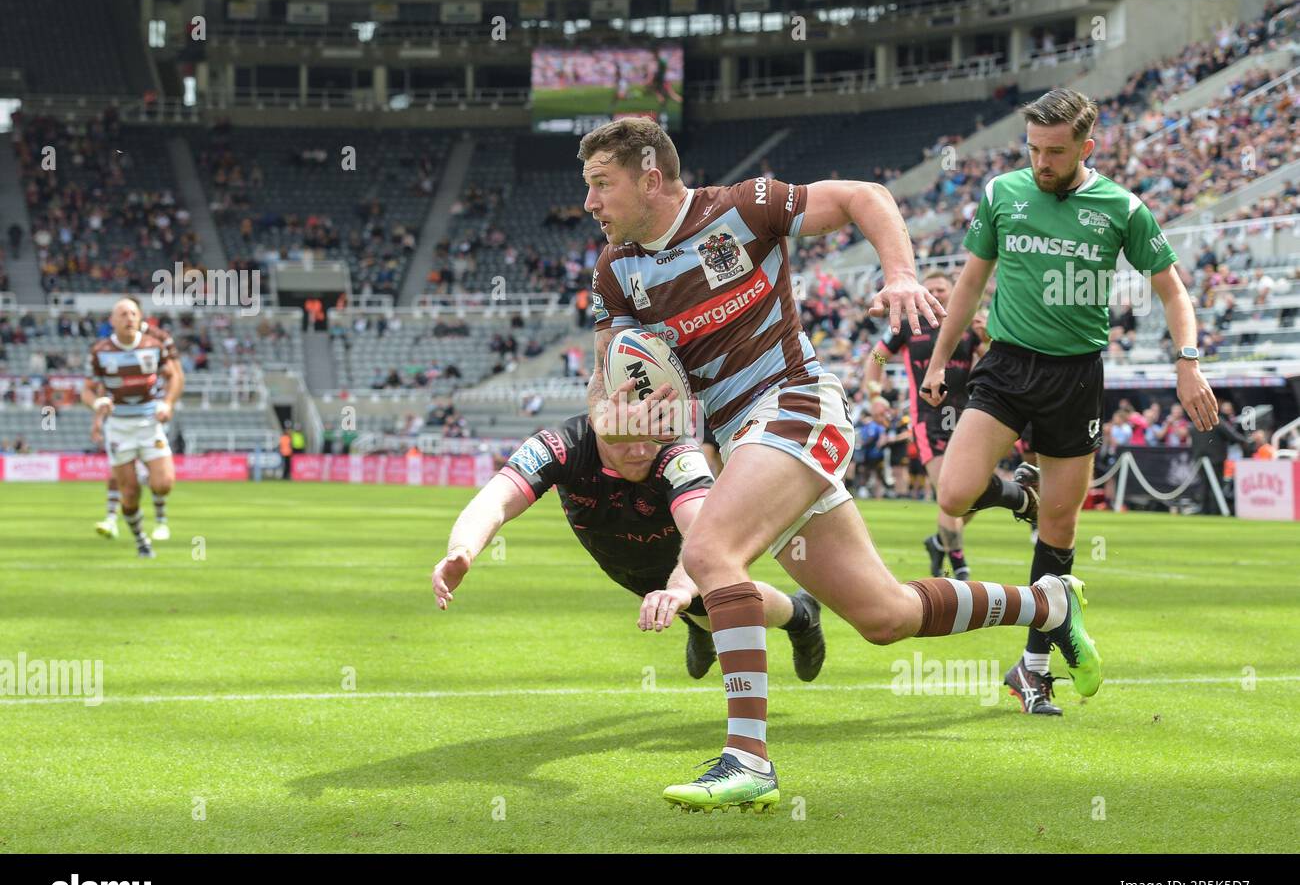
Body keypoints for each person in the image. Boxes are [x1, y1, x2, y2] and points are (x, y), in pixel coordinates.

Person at [580, 116, 1100, 811]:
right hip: (747, 440)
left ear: (650, 177)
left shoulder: (742, 207)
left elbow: (864, 196)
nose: (589, 202)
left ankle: (747, 758)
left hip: (798, 405)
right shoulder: (617, 273)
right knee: (886, 616)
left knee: (709, 553)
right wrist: (616, 418)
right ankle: (1047, 601)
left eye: (600, 184)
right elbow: (606, 382)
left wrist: (901, 274)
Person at [920, 89, 1218, 715]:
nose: (1041, 162)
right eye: (1032, 149)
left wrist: (1187, 364)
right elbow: (972, 281)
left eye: (1055, 152)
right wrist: (942, 359)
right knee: (954, 491)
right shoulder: (1003, 194)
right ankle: (1018, 496)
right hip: (1005, 365)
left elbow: (1173, 292)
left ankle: (1031, 670)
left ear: (1087, 146)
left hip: (1077, 375)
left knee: (1060, 527)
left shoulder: (1121, 208)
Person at [430, 415, 826, 682]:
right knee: (699, 612)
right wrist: (463, 549)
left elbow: (704, 535)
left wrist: (680, 590)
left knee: (718, 599)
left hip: (687, 563)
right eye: (623, 441)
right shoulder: (560, 445)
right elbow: (495, 499)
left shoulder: (678, 453)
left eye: (647, 438)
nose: (639, 450)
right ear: (597, 426)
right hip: (627, 567)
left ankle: (800, 615)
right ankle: (694, 618)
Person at [866, 271, 987, 577]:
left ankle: (939, 542)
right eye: (930, 289)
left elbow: (991, 362)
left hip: (968, 416)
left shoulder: (971, 326)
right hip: (927, 417)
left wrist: (987, 339)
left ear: (953, 292)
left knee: (971, 497)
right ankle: (960, 566)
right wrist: (875, 395)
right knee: (948, 494)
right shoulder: (907, 326)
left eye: (942, 289)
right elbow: (878, 357)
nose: (937, 293)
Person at [82, 298, 184, 558]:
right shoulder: (100, 352)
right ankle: (142, 541)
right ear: (112, 321)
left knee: (164, 484)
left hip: (150, 425)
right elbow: (87, 390)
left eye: (133, 313)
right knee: (129, 493)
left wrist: (168, 403)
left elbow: (173, 377)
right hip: (118, 429)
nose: (128, 318)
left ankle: (159, 516)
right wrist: (97, 404)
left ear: (140, 319)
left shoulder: (154, 345)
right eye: (122, 314)